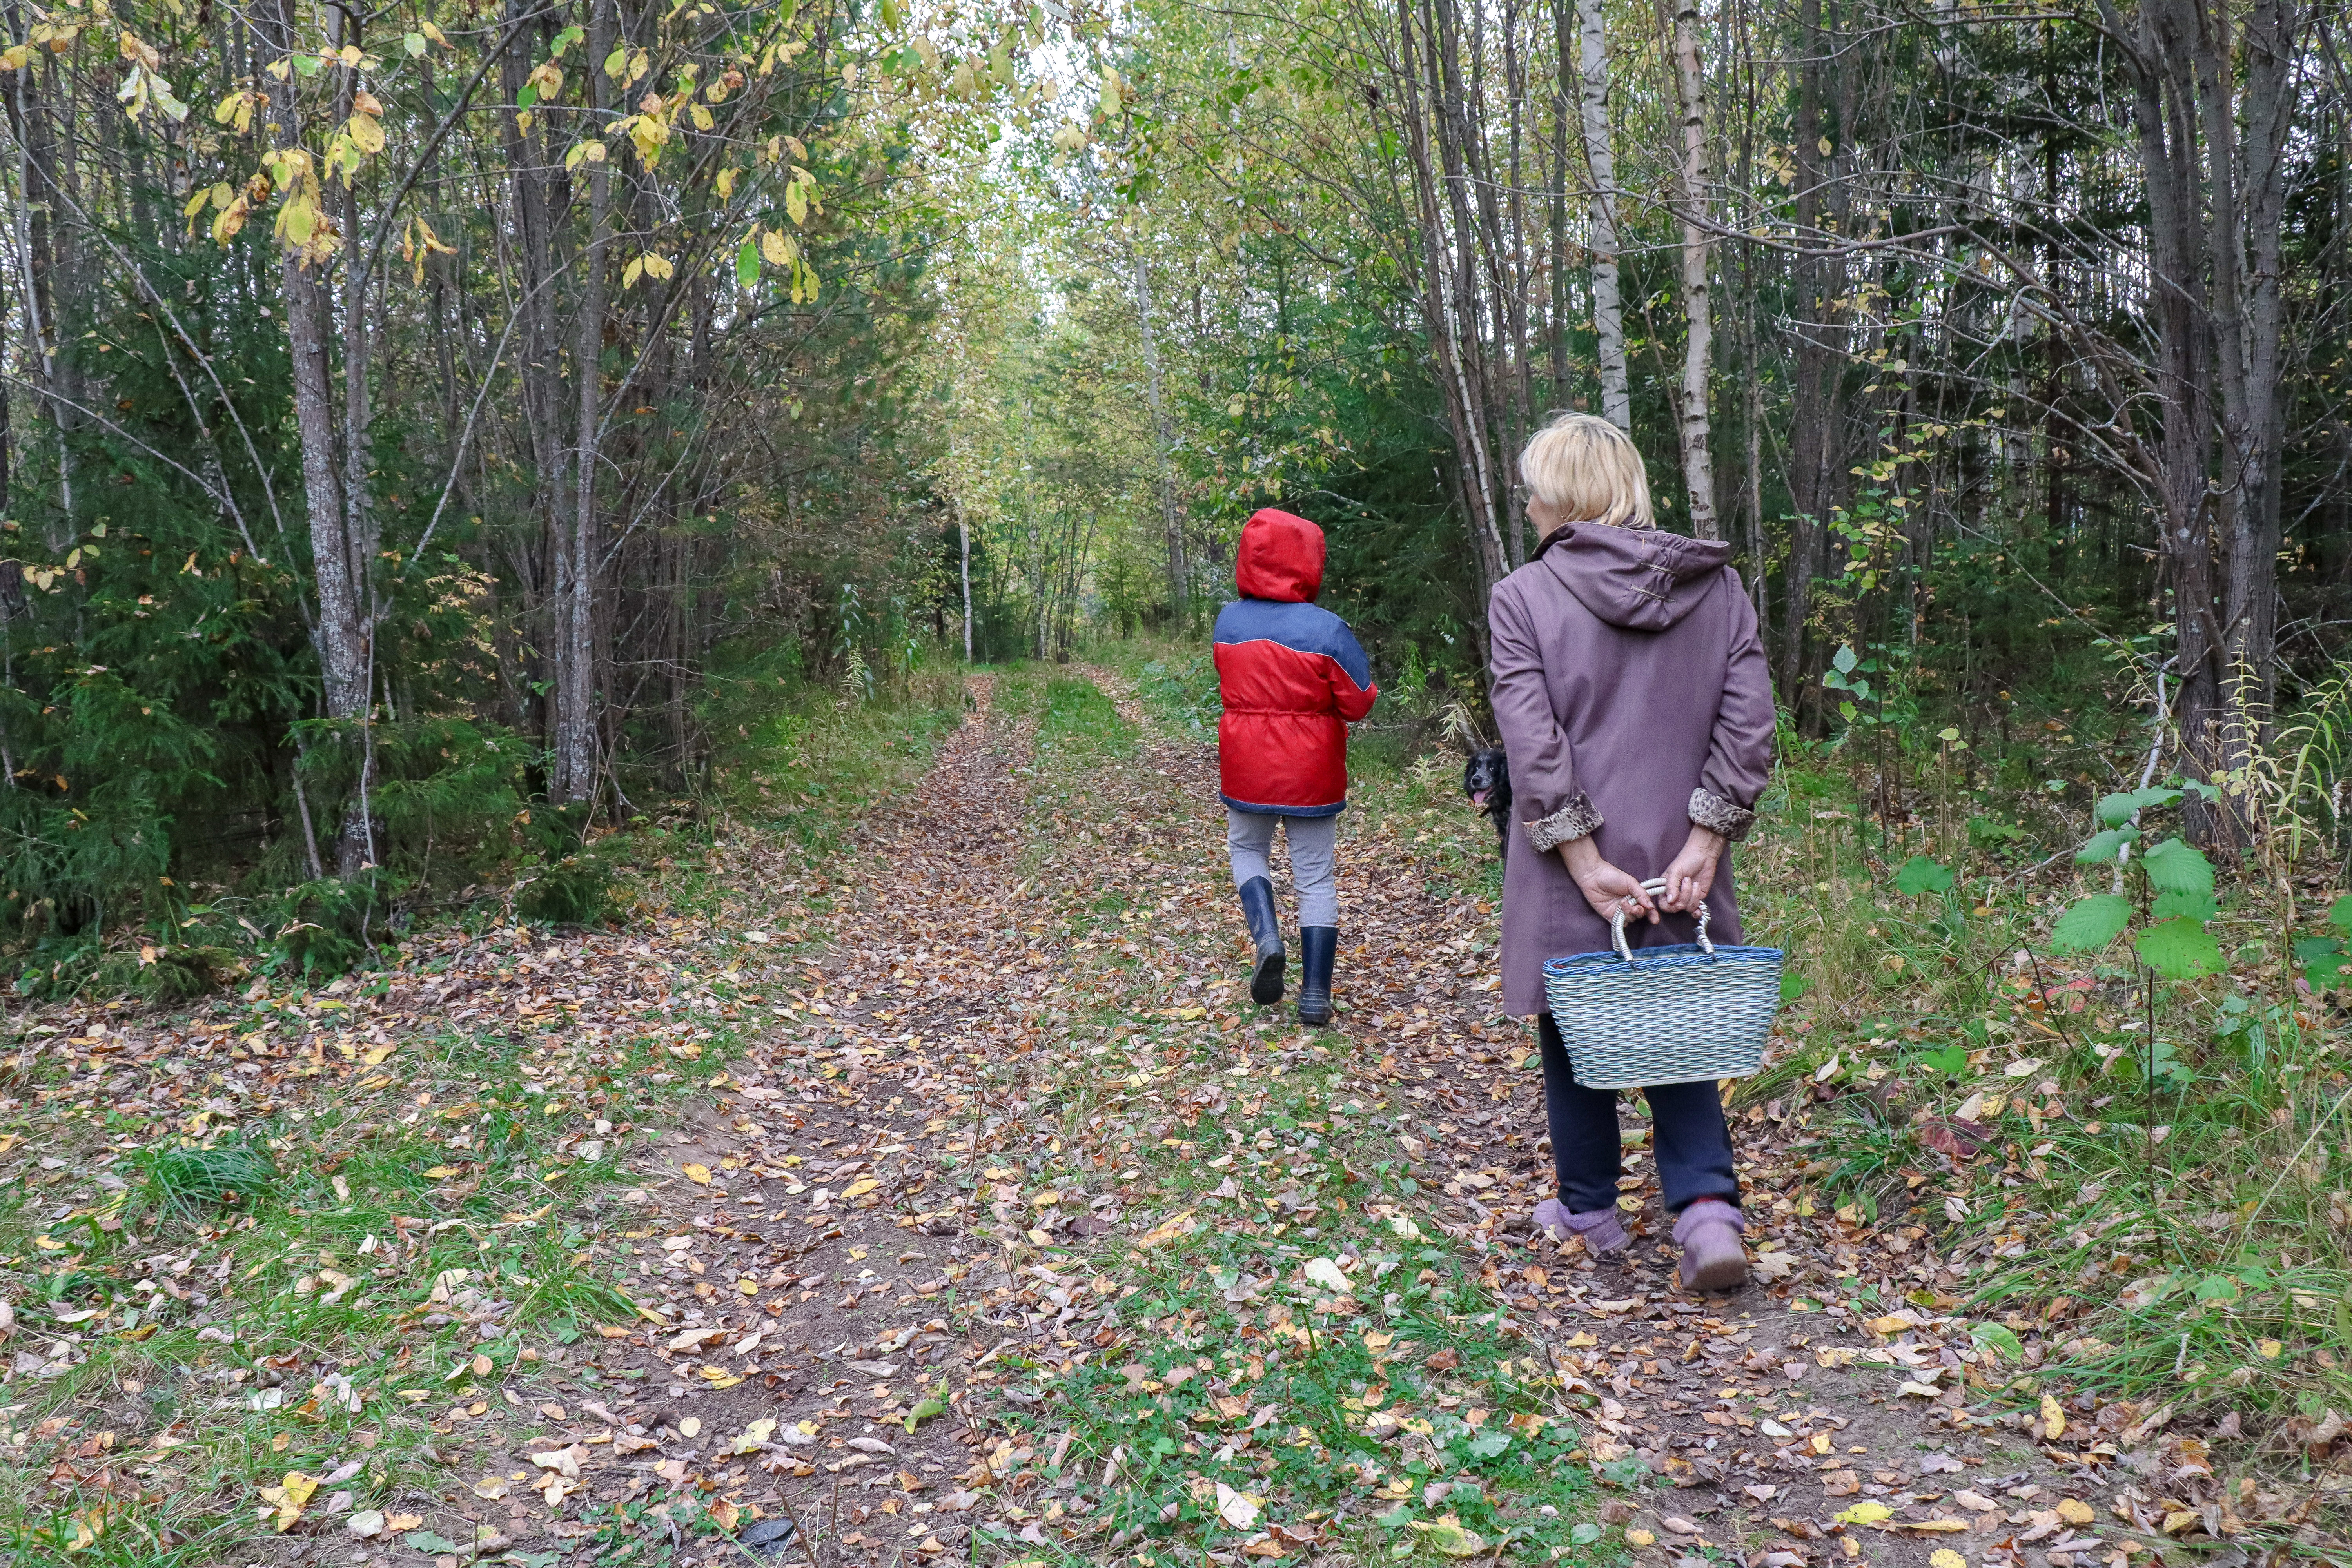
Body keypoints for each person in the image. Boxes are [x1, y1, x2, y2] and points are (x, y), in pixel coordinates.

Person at [1487, 414, 1774, 1292]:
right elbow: (1750, 723)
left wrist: (1580, 861)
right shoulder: (1716, 590)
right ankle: (1707, 1210)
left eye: (1535, 485)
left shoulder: (1522, 597)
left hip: (1572, 859)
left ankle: (1589, 1206)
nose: (1528, 502)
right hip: (1680, 856)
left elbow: (1534, 746)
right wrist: (1707, 839)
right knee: (1678, 1018)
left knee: (1576, 1026)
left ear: (1564, 497)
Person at [1214, 508, 1379, 1025]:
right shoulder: (1327, 630)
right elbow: (1359, 701)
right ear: (1308, 562)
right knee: (1314, 878)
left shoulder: (1228, 622)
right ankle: (1314, 995)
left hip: (1247, 765)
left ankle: (1267, 937)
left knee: (1247, 849)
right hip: (1311, 772)